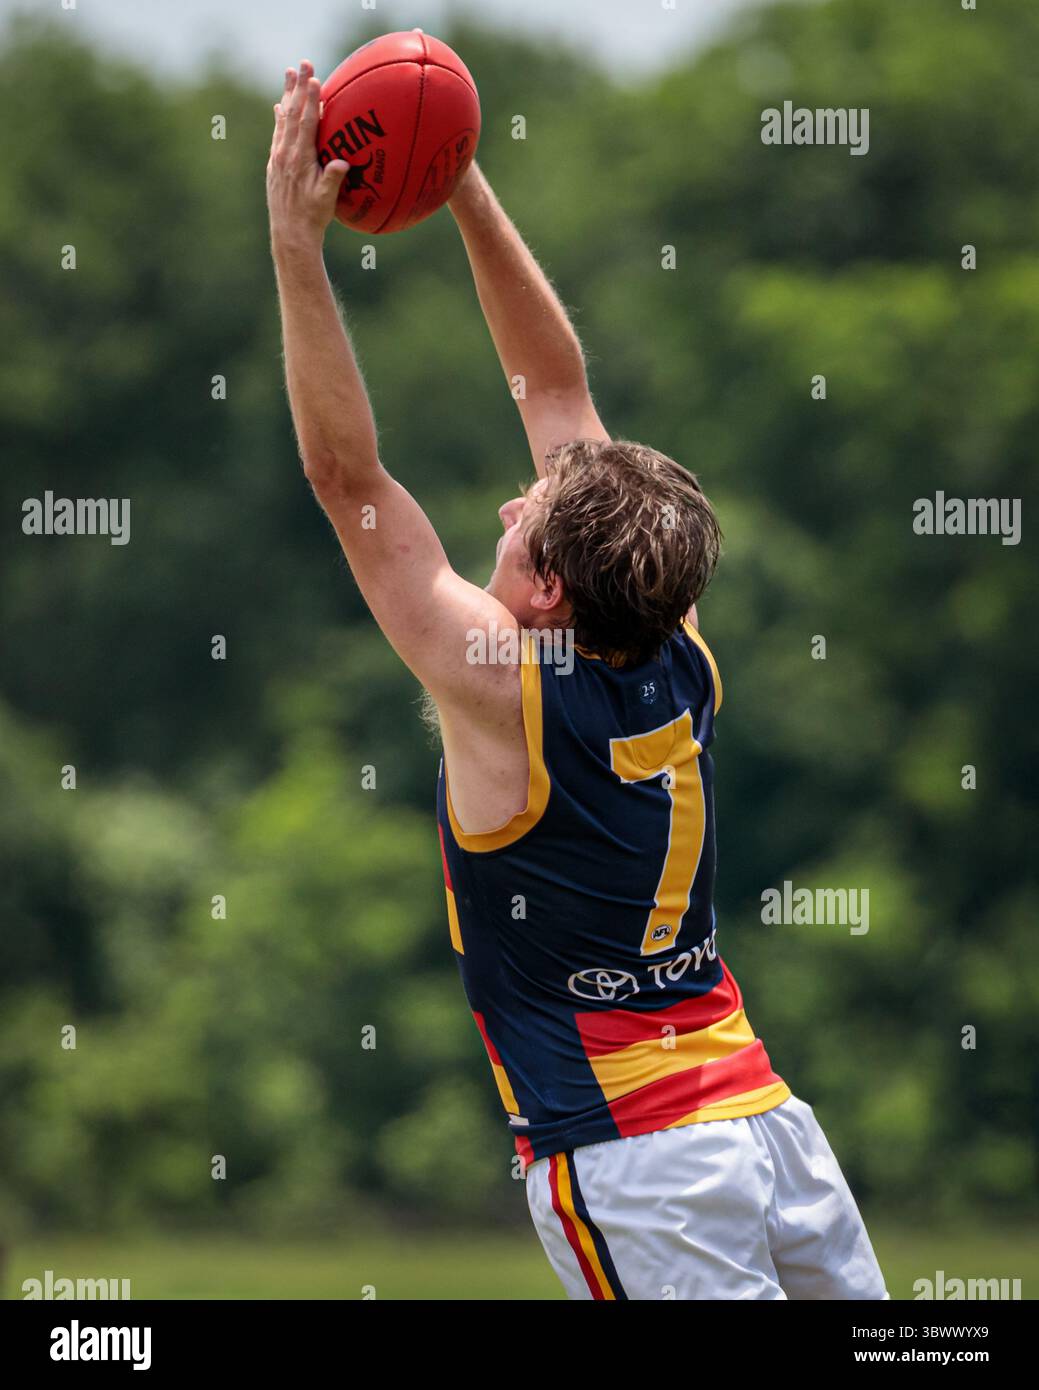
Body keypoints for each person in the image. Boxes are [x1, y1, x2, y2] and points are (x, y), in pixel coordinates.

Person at [266, 59, 888, 1301]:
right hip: (771, 1130)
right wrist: (457, 184)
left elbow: (350, 482)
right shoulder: (678, 640)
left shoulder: (504, 682)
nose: (509, 497)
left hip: (639, 1160)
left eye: (524, 514)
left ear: (548, 590)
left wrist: (296, 250)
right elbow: (551, 387)